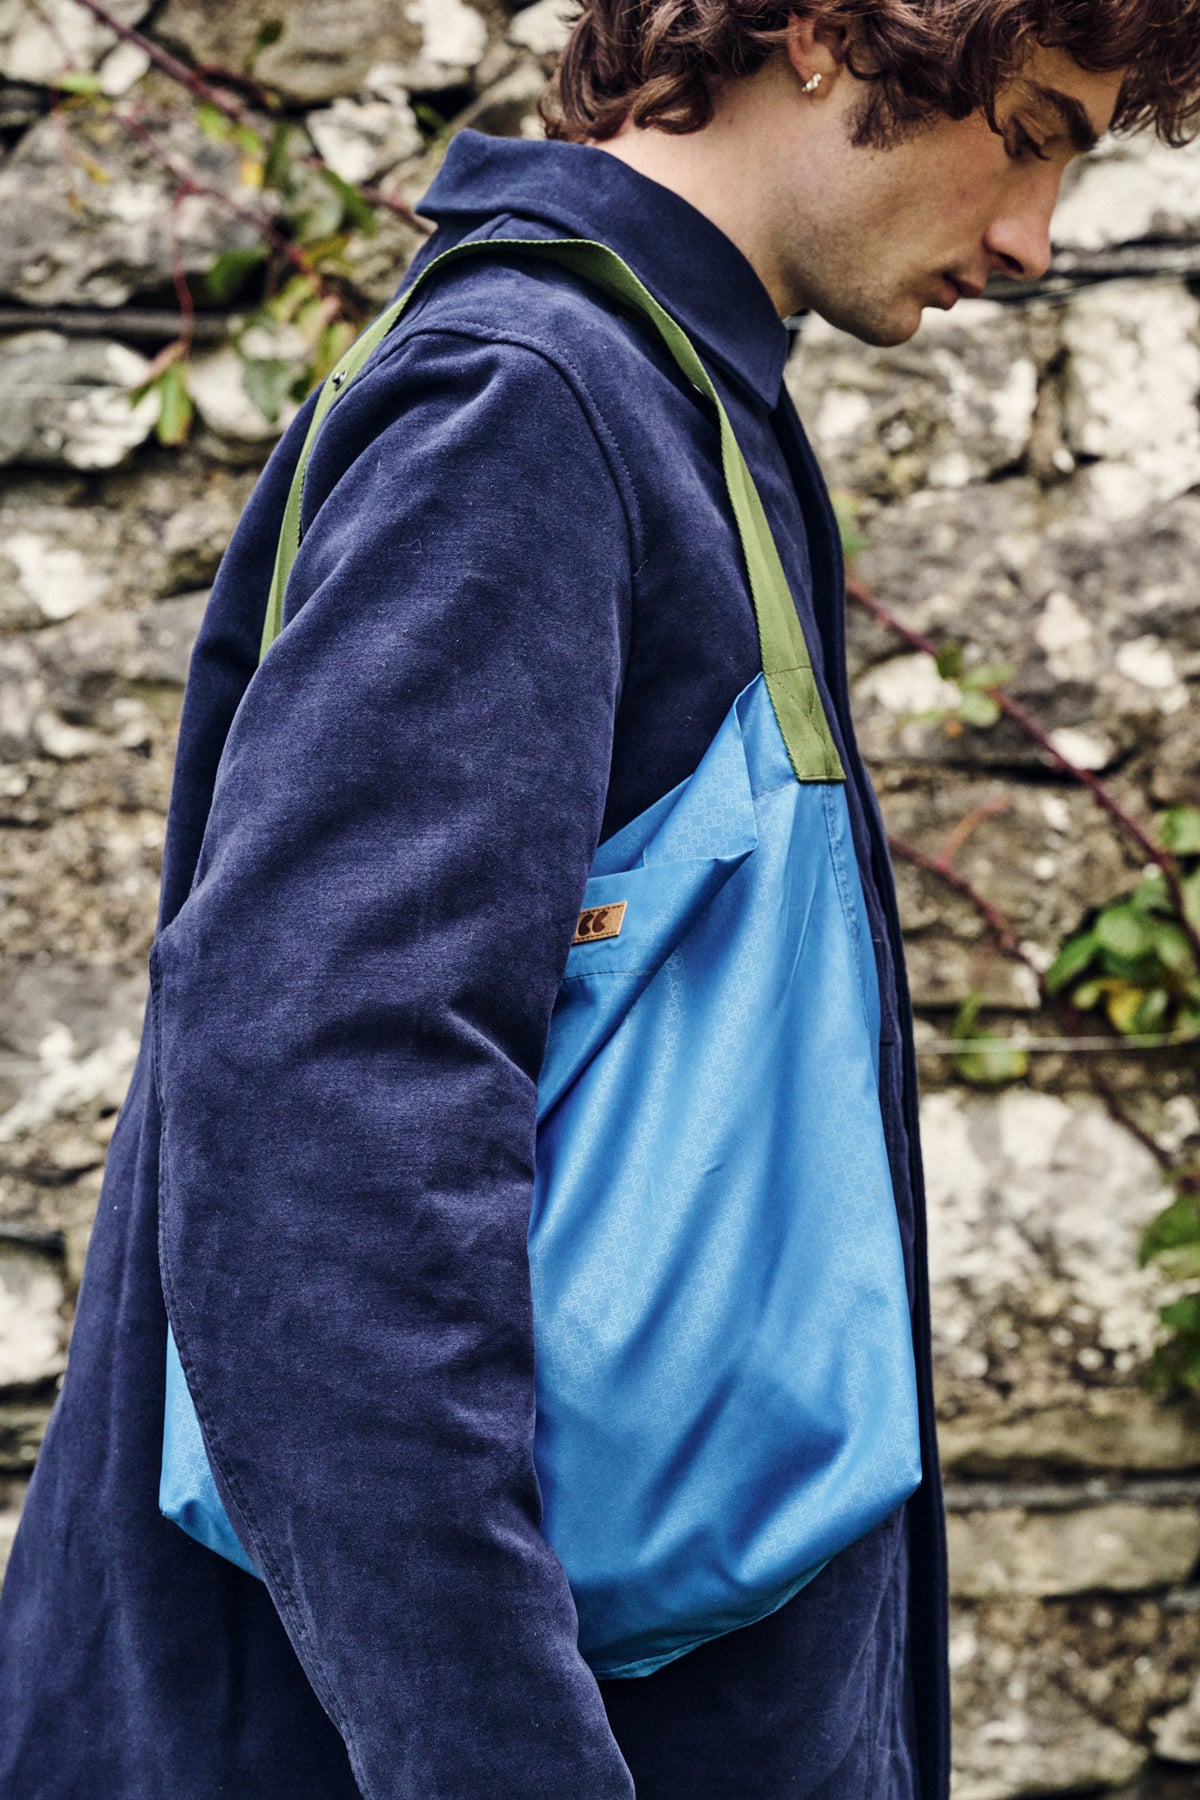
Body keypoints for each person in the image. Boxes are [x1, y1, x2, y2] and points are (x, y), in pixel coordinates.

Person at [1, 3, 1197, 1796]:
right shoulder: (531, 408)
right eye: (1027, 133)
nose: (1031, 240)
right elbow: (324, 1141)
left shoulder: (659, 390)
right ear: (824, 33)